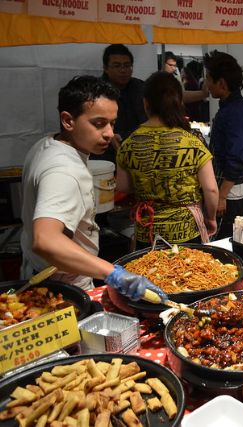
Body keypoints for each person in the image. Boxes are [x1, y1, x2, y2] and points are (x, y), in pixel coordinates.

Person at [20, 75, 167, 302]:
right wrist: (112, 273)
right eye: (98, 124)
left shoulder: (46, 144)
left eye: (112, 123)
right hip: (62, 290)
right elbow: (46, 240)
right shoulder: (64, 170)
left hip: (40, 274)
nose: (109, 133)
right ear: (68, 120)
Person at [116, 72, 219, 248]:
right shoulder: (193, 142)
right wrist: (211, 218)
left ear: (146, 103)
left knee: (148, 274)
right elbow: (211, 189)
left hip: (147, 233)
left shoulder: (129, 143)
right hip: (187, 231)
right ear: (179, 102)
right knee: (189, 275)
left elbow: (123, 186)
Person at [204, 51, 243, 239]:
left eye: (209, 79)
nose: (206, 84)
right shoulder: (231, 107)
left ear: (222, 83)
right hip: (230, 190)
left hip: (232, 194)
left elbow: (237, 157)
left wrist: (222, 196)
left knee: (226, 248)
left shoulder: (235, 112)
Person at [95, 44, 146, 164]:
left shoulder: (141, 87)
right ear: (106, 68)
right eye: (117, 66)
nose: (123, 70)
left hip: (138, 151)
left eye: (127, 66)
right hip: (105, 153)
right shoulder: (96, 90)